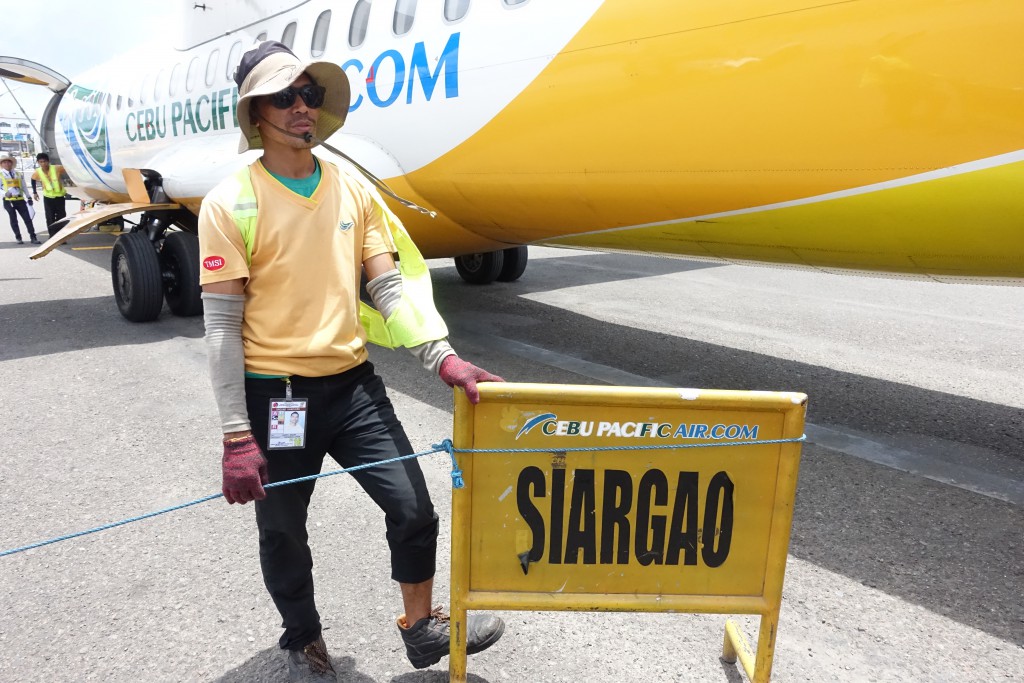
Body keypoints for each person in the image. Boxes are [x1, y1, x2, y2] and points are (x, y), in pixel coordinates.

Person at [198, 41, 506, 682]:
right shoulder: (229, 204)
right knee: (283, 530)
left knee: (414, 507)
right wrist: (235, 433)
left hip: (353, 388)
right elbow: (223, 329)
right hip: (278, 397)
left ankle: (421, 630)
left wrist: (443, 359)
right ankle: (304, 639)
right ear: (255, 113)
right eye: (284, 96)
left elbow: (388, 287)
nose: (301, 106)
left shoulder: (351, 191)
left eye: (309, 93)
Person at [1, 153, 39, 245]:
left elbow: (24, 186)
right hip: (8, 200)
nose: (7, 164)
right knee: (13, 219)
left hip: (20, 199)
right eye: (4, 162)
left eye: (8, 162)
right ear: (1, 164)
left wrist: (29, 197)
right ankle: (18, 237)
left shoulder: (18, 174)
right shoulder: (1, 175)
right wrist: (4, 193)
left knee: (27, 219)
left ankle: (33, 237)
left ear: (11, 163)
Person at [31, 152, 69, 235]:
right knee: (50, 217)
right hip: (48, 197)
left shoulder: (56, 168)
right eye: (41, 162)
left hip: (59, 197)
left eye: (45, 161)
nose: (43, 163)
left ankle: (61, 235)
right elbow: (33, 179)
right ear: (38, 162)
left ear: (48, 161)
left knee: (61, 217)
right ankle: (52, 235)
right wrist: (35, 192)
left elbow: (68, 169)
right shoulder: (38, 172)